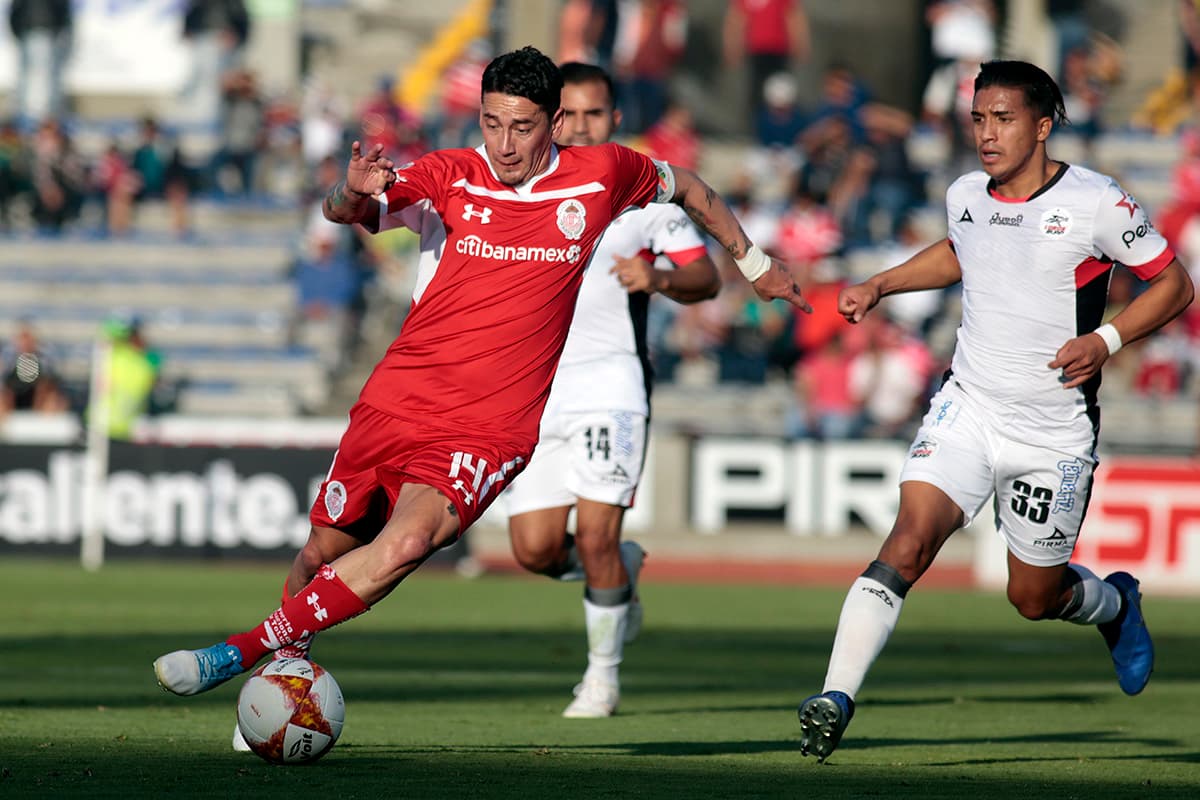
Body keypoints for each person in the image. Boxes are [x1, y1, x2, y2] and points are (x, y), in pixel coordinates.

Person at [152, 46, 809, 710]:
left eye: (522, 126)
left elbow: (692, 187)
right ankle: (280, 695)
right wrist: (349, 190)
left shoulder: (604, 174)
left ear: (552, 122)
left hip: (489, 427)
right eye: (492, 123)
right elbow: (346, 212)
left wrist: (754, 265)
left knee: (408, 541)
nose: (505, 142)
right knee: (321, 552)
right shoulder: (451, 173)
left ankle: (237, 652)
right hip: (397, 401)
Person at [796, 60, 1194, 763]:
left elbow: (1174, 284)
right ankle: (834, 697)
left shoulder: (1098, 201)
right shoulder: (964, 194)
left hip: (1053, 431)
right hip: (969, 406)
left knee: (1033, 597)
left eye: (1003, 118)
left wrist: (1106, 340)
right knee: (910, 540)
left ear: (1042, 126)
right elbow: (963, 251)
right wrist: (881, 284)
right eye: (979, 118)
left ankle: (1115, 604)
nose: (986, 132)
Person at [501, 61, 720, 718]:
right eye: (567, 114)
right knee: (535, 550)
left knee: (593, 536)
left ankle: (601, 678)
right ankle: (619, 572)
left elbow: (705, 277)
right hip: (537, 389)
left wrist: (656, 280)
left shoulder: (645, 194)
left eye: (594, 113)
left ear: (616, 119)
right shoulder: (522, 188)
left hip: (611, 382)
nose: (580, 126)